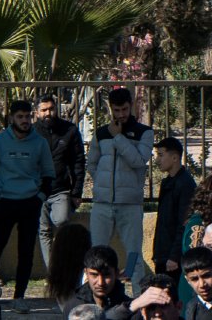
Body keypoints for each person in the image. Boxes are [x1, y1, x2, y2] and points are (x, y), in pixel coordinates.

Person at [0, 100, 53, 300]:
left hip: (30, 203)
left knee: (26, 252)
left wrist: (39, 198)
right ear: (11, 118)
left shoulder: (40, 143)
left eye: (28, 116)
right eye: (20, 117)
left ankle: (19, 297)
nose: (24, 121)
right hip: (4, 203)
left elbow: (48, 175)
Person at [88, 89, 154, 283]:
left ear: (131, 105)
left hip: (130, 204)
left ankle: (137, 297)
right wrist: (101, 182)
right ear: (111, 109)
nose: (121, 114)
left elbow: (139, 161)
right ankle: (95, 296)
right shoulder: (101, 133)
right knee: (96, 253)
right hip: (102, 203)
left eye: (124, 109)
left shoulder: (144, 132)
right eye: (117, 110)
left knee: (134, 254)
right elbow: (92, 163)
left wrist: (118, 138)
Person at [34, 95, 87, 299]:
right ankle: (53, 274)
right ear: (37, 112)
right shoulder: (31, 132)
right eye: (44, 110)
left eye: (51, 109)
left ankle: (67, 270)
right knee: (43, 231)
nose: (48, 113)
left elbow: (78, 162)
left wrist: (77, 192)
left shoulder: (70, 130)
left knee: (62, 223)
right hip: (37, 192)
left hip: (61, 190)